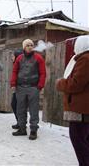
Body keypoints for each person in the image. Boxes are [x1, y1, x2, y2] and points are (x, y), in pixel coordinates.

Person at [56, 35, 89, 166]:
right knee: (84, 140)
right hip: (84, 108)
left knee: (79, 140)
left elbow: (75, 84)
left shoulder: (85, 59)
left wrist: (60, 83)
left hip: (81, 109)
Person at [10, 39, 46, 140]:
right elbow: (14, 71)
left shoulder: (38, 58)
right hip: (20, 87)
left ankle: (33, 130)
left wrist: (39, 86)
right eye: (27, 45)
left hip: (33, 87)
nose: (30, 46)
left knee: (34, 110)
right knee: (20, 109)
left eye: (31, 45)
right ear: (24, 47)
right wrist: (13, 83)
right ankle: (22, 129)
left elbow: (43, 73)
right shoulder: (19, 58)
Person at [11, 49, 23, 129]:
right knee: (14, 104)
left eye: (13, 56)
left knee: (18, 105)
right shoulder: (16, 64)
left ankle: (21, 123)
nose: (12, 57)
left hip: (21, 88)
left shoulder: (21, 65)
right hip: (17, 88)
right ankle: (19, 122)